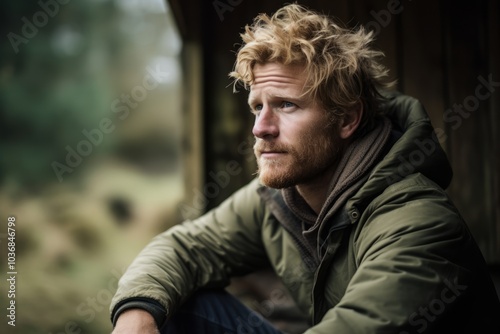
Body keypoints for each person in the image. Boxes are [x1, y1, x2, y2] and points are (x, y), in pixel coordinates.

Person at [109, 4, 500, 333]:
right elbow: (184, 247)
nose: (260, 128)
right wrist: (136, 314)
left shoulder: (419, 223)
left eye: (287, 105)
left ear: (346, 120)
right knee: (174, 304)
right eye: (257, 107)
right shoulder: (279, 198)